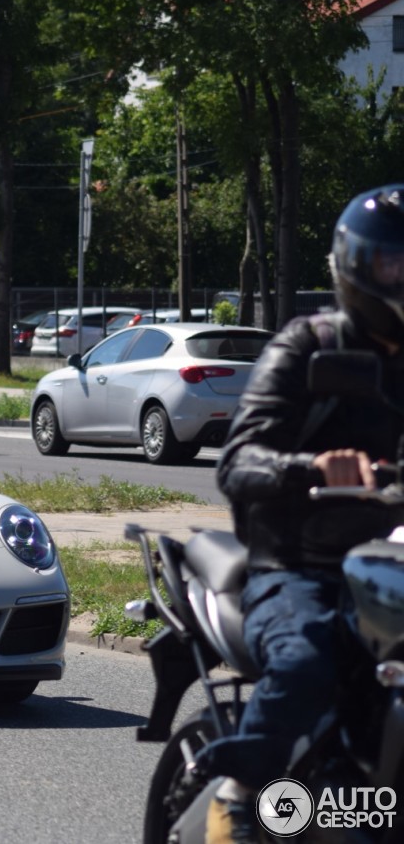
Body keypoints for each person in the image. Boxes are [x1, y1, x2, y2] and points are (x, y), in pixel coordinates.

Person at [203, 184, 404, 843]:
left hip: (388, 566)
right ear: (356, 266)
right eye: (390, 265)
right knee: (308, 659)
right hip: (294, 566)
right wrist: (311, 468)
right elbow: (236, 463)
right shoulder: (305, 346)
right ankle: (240, 789)